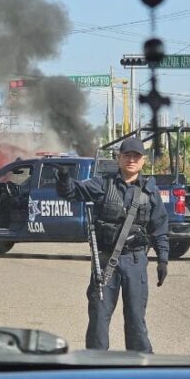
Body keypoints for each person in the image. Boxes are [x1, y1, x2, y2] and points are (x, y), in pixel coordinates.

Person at [55, 137, 169, 353]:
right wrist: (63, 178)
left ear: (143, 161)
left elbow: (160, 227)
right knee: (98, 317)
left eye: (136, 156)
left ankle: (141, 368)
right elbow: (72, 192)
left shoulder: (150, 192)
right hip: (106, 262)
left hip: (136, 262)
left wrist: (163, 260)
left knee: (135, 318)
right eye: (127, 155)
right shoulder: (102, 184)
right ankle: (95, 371)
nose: (131, 160)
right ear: (119, 158)